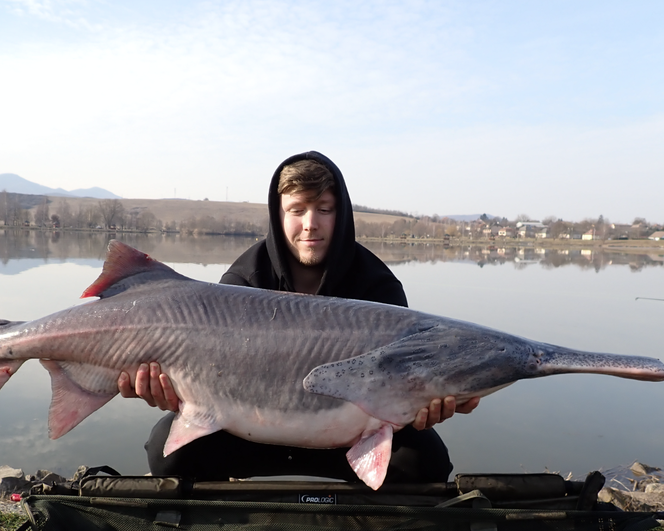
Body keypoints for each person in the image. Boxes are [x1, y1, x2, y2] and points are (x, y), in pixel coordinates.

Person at [117, 151, 479, 484]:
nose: (311, 224)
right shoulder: (244, 279)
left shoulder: (378, 285)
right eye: (297, 209)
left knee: (426, 464)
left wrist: (425, 405)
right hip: (248, 431)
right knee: (165, 457)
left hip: (350, 436)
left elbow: (406, 381)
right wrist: (178, 392)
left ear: (342, 213)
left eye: (324, 209)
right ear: (278, 214)